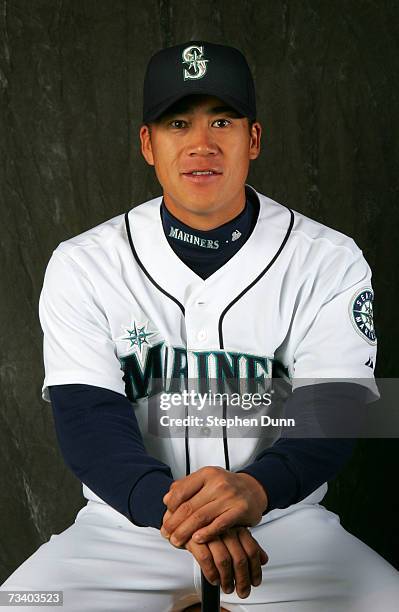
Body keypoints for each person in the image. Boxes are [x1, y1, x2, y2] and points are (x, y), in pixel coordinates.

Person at [1, 41, 399, 612]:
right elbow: (88, 422)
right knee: (20, 604)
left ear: (253, 139)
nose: (201, 144)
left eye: (222, 120)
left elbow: (332, 409)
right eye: (177, 123)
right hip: (124, 530)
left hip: (285, 526)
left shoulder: (328, 260)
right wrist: (188, 517)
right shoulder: (84, 262)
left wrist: (258, 490)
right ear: (148, 144)